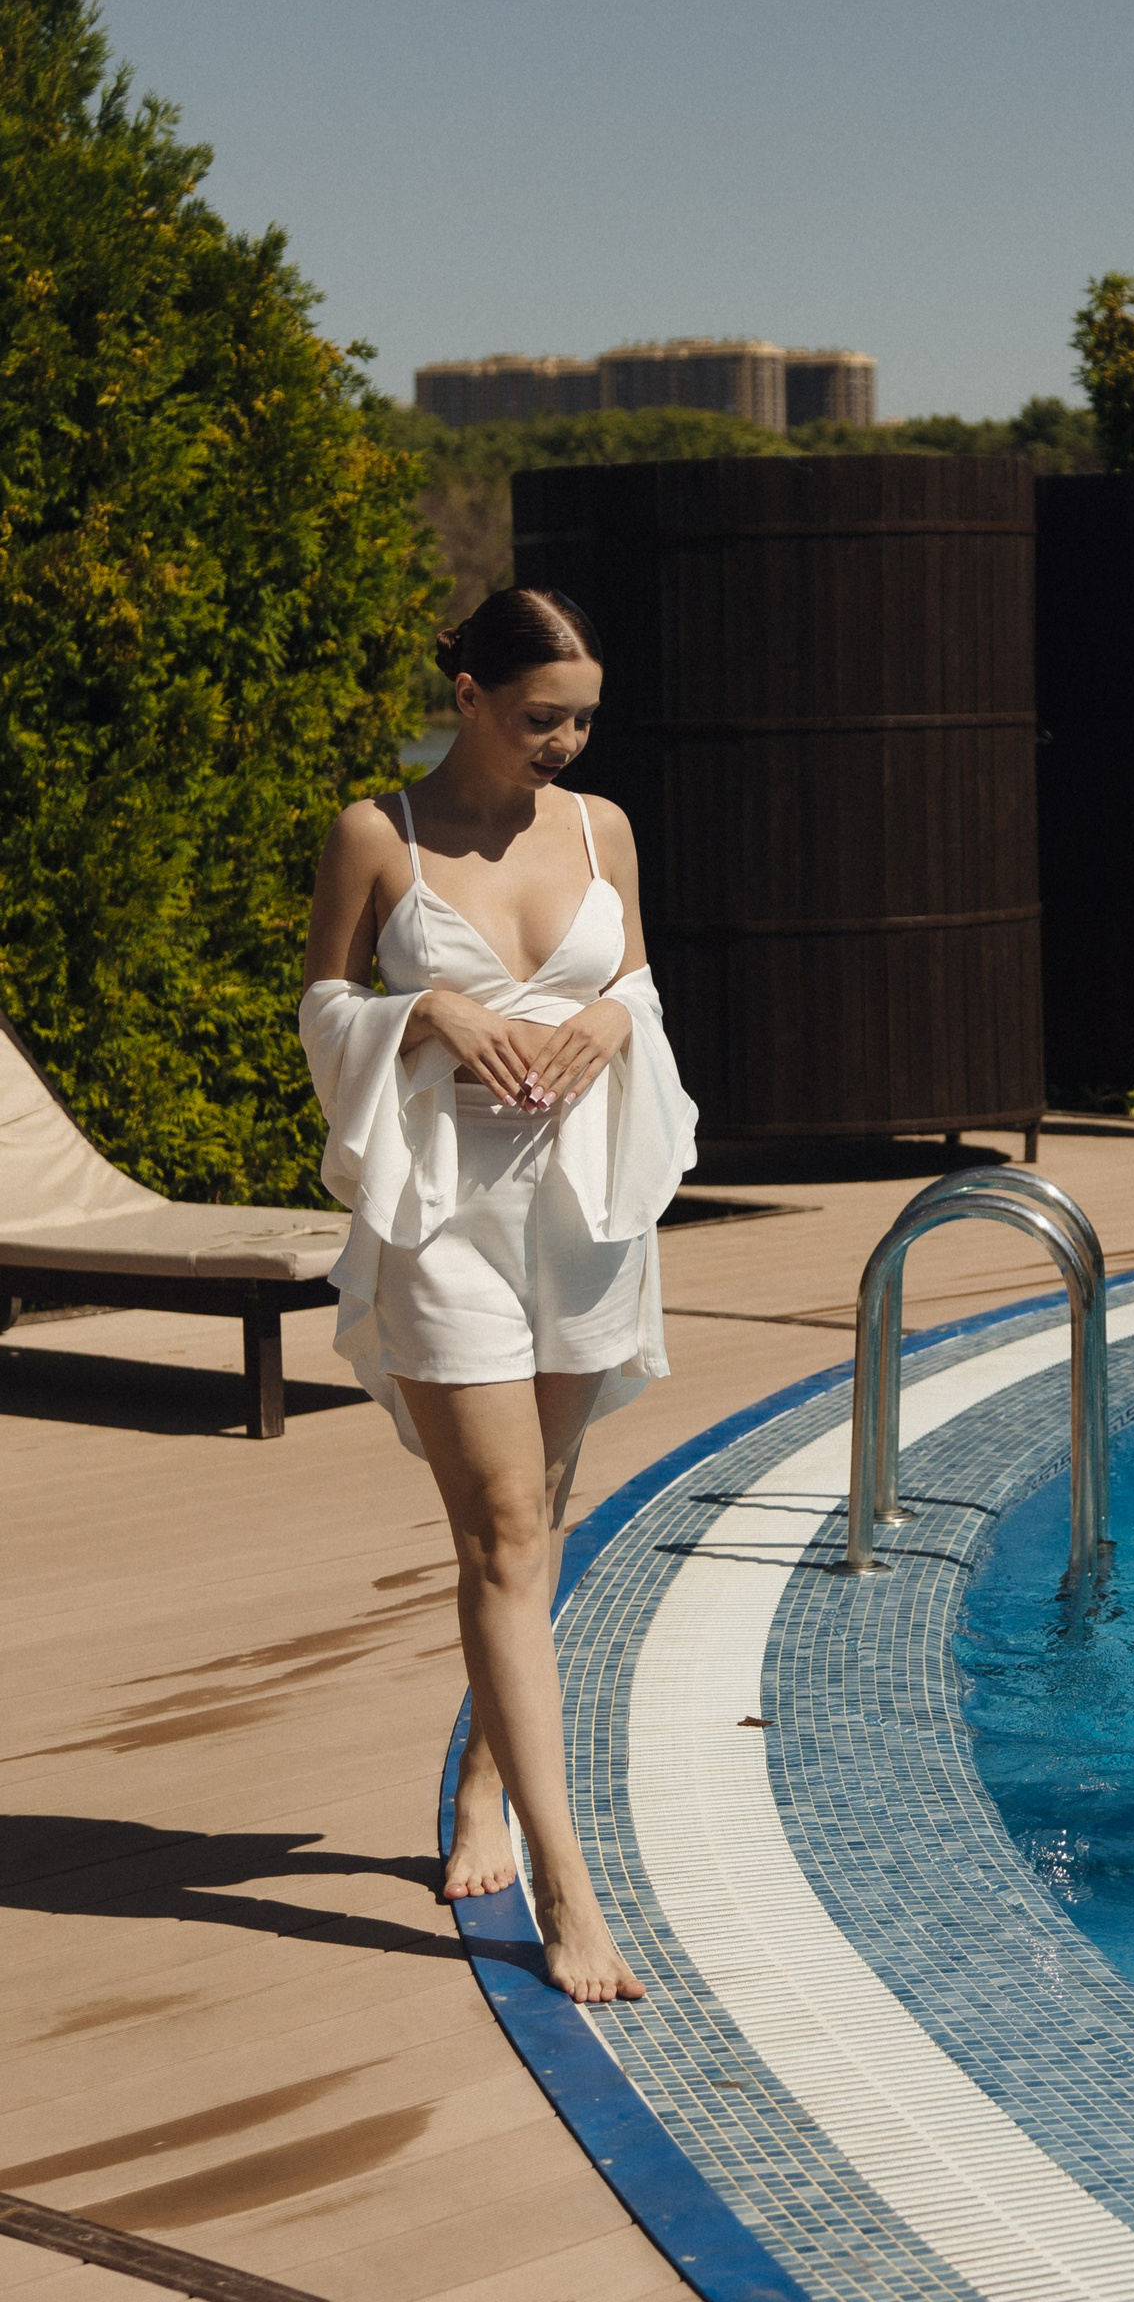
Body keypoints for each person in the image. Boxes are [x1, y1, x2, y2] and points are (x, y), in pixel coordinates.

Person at [301, 586, 696, 2001]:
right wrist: (424, 1009)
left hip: (584, 1216)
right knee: (504, 1534)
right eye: (541, 717)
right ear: (466, 694)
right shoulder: (378, 834)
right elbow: (322, 1008)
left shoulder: (602, 831)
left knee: (543, 1516)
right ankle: (563, 1884)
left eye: (583, 718)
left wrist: (605, 1019)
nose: (566, 743)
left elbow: (638, 990)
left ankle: (483, 1776)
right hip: (447, 1221)